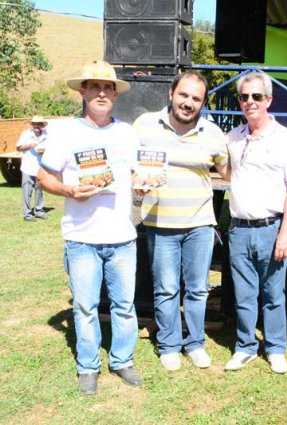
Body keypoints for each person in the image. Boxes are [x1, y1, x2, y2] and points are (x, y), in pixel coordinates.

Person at [37, 60, 143, 395]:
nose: (101, 92)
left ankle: (122, 360)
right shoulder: (65, 132)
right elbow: (43, 177)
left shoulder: (127, 132)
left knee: (125, 306)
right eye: (94, 86)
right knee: (84, 307)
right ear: (82, 91)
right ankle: (88, 366)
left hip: (122, 237)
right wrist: (69, 190)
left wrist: (144, 183)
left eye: (107, 87)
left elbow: (134, 175)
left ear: (115, 94)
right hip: (81, 238)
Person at [132, 72, 229, 371]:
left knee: (198, 288)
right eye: (184, 95)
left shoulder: (213, 132)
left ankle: (196, 343)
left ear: (203, 103)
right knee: (166, 287)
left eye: (196, 98)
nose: (188, 103)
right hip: (160, 223)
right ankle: (170, 344)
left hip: (200, 223)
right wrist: (134, 183)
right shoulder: (144, 125)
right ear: (171, 93)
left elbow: (228, 173)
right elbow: (126, 165)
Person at [224, 72, 287, 374]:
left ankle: (275, 347)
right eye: (244, 97)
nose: (250, 102)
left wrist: (285, 232)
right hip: (239, 228)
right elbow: (226, 172)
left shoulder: (284, 137)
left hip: (272, 228)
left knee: (273, 292)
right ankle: (245, 346)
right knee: (244, 293)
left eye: (257, 96)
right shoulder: (232, 138)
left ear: (269, 99)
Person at [17, 115, 48, 221]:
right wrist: (29, 146)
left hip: (40, 167)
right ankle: (27, 214)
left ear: (42, 125)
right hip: (27, 166)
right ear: (32, 124)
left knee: (39, 190)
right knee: (27, 190)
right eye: (34, 123)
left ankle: (39, 211)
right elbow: (18, 147)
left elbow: (51, 148)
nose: (36, 125)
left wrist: (45, 152)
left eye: (38, 123)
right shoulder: (26, 135)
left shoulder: (46, 135)